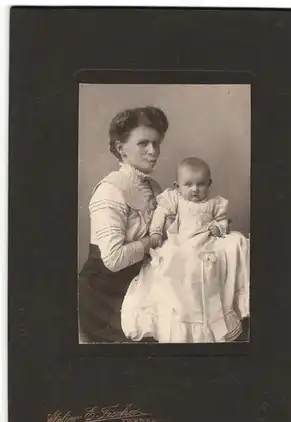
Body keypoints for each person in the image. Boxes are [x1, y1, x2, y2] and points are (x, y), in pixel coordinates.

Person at [121, 157, 250, 343]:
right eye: (188, 185)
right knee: (177, 261)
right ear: (177, 185)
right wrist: (156, 231)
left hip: (206, 240)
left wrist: (219, 228)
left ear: (209, 184)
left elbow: (222, 220)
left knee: (235, 242)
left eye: (201, 184)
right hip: (181, 240)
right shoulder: (175, 198)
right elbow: (160, 213)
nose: (195, 189)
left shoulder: (215, 203)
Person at [78, 106, 169, 343]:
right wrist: (153, 241)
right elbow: (114, 259)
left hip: (142, 281)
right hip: (105, 294)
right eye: (143, 144)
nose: (153, 151)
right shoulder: (111, 190)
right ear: (121, 148)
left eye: (157, 143)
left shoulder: (154, 188)